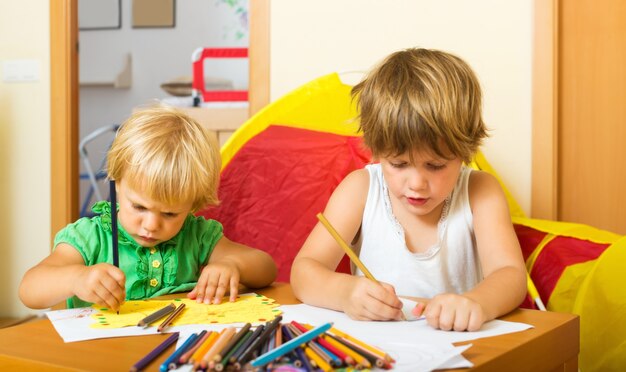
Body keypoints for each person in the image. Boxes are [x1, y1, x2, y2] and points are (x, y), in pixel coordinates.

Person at [290, 48, 527, 331]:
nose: (416, 183)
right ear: (377, 151)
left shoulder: (480, 191)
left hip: (457, 348)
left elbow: (510, 275)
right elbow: (304, 271)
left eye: (436, 166)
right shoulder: (360, 189)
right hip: (379, 349)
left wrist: (476, 302)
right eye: (399, 164)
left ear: (464, 152)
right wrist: (344, 293)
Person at [20, 104, 277, 310]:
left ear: (192, 205)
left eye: (170, 213)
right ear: (116, 182)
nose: (152, 225)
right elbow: (29, 289)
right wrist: (76, 278)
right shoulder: (90, 236)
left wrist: (232, 265)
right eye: (139, 207)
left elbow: (266, 268)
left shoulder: (196, 235)